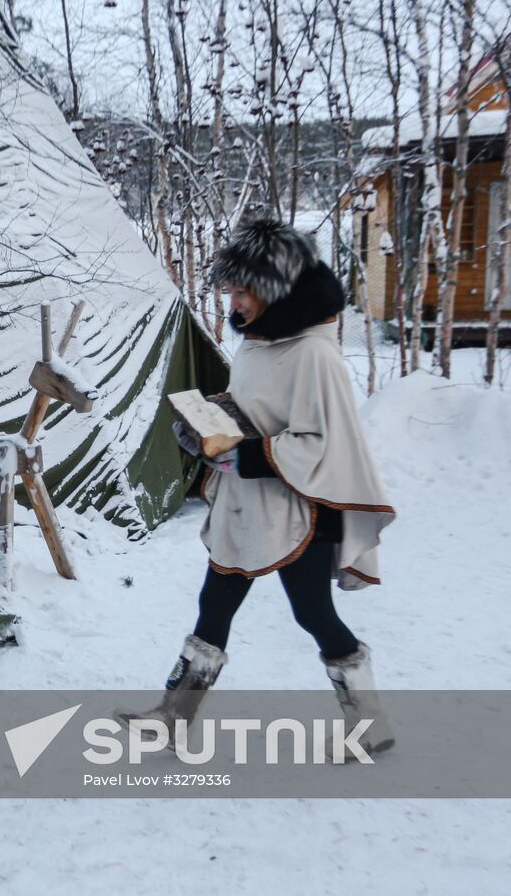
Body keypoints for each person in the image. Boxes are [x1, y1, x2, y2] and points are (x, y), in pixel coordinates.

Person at [117, 218, 397, 755]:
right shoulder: (258, 342)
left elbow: (322, 443)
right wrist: (208, 425)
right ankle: (174, 718)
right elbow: (252, 409)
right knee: (213, 605)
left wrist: (246, 453)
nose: (234, 302)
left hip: (302, 510)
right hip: (249, 506)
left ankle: (371, 722)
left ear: (272, 290)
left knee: (312, 613)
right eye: (230, 290)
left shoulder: (316, 355)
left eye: (241, 291)